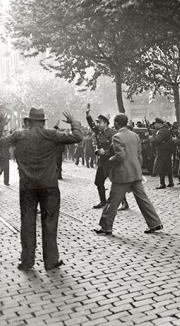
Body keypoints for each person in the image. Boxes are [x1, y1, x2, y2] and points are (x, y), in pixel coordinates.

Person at [0, 108, 83, 271]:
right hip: (49, 185)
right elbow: (77, 136)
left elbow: (1, 142)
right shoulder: (51, 134)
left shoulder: (19, 135)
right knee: (50, 223)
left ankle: (27, 261)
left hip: (27, 186)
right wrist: (74, 122)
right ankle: (51, 261)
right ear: (43, 122)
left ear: (28, 121)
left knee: (28, 223)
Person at [94, 114, 163, 235]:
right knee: (143, 200)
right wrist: (138, 169)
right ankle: (155, 223)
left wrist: (110, 160)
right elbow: (139, 155)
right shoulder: (135, 135)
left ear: (116, 123)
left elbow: (120, 156)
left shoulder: (117, 136)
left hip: (122, 175)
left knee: (112, 201)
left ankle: (106, 227)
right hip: (135, 173)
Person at [86, 107, 128, 211]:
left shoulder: (112, 133)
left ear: (105, 123)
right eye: (97, 122)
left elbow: (116, 149)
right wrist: (88, 115)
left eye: (99, 122)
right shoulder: (98, 131)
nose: (97, 124)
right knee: (98, 182)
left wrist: (105, 152)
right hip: (102, 162)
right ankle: (103, 201)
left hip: (111, 162)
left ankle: (124, 203)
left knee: (116, 182)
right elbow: (92, 125)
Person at [150, 118, 174, 189]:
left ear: (158, 124)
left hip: (162, 151)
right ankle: (170, 182)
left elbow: (157, 140)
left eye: (155, 124)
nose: (154, 125)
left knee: (161, 167)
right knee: (168, 167)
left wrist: (151, 138)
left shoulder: (161, 131)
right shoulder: (165, 130)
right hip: (166, 151)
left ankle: (162, 183)